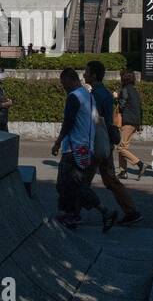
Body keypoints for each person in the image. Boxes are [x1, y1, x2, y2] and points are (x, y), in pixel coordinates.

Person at [50, 68, 117, 232]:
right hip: (88, 148)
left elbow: (69, 122)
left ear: (71, 80)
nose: (63, 87)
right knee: (75, 184)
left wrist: (58, 142)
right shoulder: (90, 96)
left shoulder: (74, 97)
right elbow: (95, 120)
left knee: (64, 184)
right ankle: (74, 214)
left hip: (73, 148)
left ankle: (93, 213)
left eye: (63, 83)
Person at [85, 60, 142, 226]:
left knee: (83, 181)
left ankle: (73, 212)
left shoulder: (96, 94)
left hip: (97, 142)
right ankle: (131, 211)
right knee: (109, 179)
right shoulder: (106, 93)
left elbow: (94, 119)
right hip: (106, 141)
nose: (84, 74)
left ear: (94, 75)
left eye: (87, 72)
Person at [114, 70, 145, 179]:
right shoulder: (135, 91)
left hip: (127, 121)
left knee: (120, 148)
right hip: (135, 122)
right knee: (124, 147)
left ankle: (139, 164)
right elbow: (139, 108)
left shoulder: (125, 90)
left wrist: (116, 98)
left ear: (124, 79)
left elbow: (122, 106)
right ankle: (123, 171)